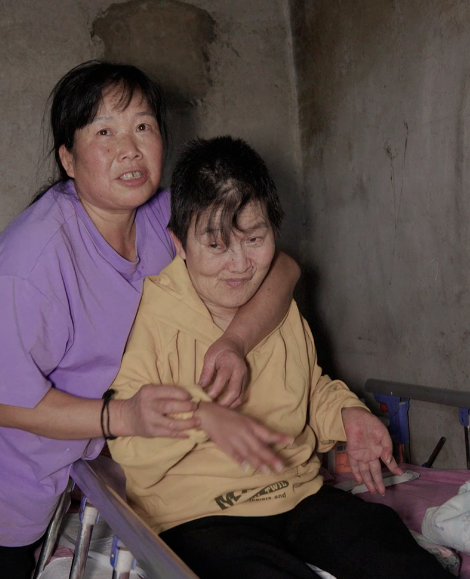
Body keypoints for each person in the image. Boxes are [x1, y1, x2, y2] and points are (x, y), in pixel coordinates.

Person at [0, 62, 300, 579]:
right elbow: (2, 404)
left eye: (143, 126)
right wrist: (122, 418)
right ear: (68, 159)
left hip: (63, 467)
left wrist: (235, 342)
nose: (130, 149)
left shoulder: (162, 218)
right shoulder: (33, 257)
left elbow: (284, 268)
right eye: (105, 132)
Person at [108, 136, 453, 579]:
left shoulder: (276, 306)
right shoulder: (152, 319)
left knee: (386, 548)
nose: (240, 265)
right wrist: (201, 417)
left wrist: (347, 415)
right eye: (216, 246)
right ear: (179, 243)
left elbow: (308, 388)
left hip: (298, 493)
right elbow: (128, 445)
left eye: (255, 238)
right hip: (196, 512)